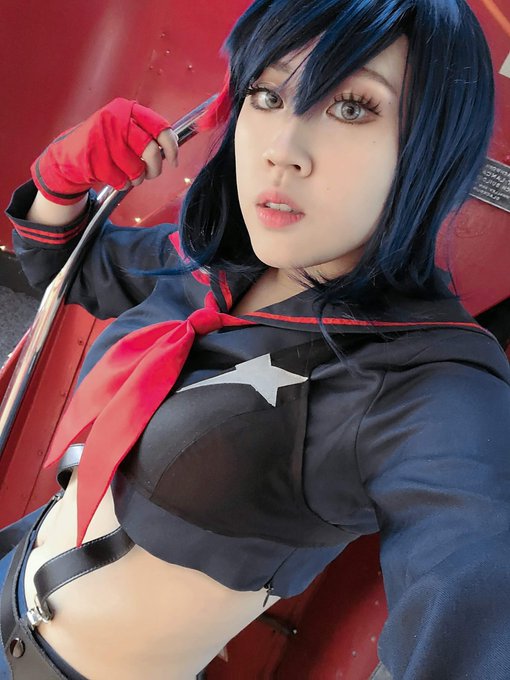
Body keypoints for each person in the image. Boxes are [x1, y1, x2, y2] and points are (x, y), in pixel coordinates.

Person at [1, 0, 510, 677]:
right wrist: (62, 178)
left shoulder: (422, 379)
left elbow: (475, 583)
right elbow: (63, 265)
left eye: (352, 107)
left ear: (433, 145)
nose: (281, 150)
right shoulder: (210, 264)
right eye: (267, 95)